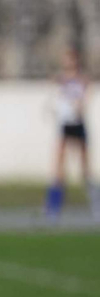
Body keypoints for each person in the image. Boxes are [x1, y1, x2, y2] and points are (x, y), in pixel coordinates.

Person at [46, 48, 95, 218]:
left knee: (85, 168)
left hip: (78, 124)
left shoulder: (82, 79)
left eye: (70, 59)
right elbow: (53, 99)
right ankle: (53, 208)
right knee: (58, 167)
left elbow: (85, 98)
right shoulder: (59, 80)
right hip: (65, 125)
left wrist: (79, 106)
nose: (68, 62)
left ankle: (96, 205)